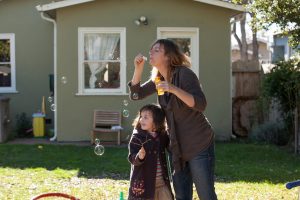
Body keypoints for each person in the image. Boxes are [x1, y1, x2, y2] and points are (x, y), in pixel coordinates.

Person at [128, 39, 217, 200]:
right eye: (151, 50)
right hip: (177, 148)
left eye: (156, 50)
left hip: (199, 144)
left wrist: (173, 89)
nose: (151, 53)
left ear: (168, 56)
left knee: (206, 195)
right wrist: (138, 69)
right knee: (182, 196)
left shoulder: (184, 74)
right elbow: (136, 95)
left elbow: (200, 104)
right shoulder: (158, 79)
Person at [128, 104, 174, 200]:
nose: (141, 119)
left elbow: (171, 147)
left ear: (156, 121)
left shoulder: (162, 136)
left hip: (161, 182)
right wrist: (139, 157)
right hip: (144, 183)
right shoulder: (137, 137)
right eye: (141, 116)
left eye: (146, 117)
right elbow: (132, 158)